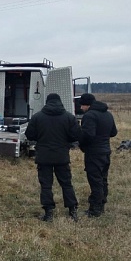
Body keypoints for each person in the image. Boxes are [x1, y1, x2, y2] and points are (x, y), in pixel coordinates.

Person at [24, 93, 81, 222]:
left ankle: (48, 212)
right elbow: (76, 135)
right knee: (66, 183)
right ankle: (72, 210)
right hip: (62, 156)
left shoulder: (38, 117)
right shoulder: (69, 117)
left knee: (46, 185)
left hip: (44, 156)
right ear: (60, 102)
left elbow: (29, 135)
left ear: (47, 102)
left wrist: (40, 138)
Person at [78, 93, 118, 217]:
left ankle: (94, 210)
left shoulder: (89, 116)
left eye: (82, 105)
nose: (80, 108)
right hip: (106, 152)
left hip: (94, 153)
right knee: (103, 180)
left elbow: (88, 135)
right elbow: (113, 132)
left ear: (87, 104)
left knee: (95, 181)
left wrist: (82, 145)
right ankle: (101, 205)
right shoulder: (108, 114)